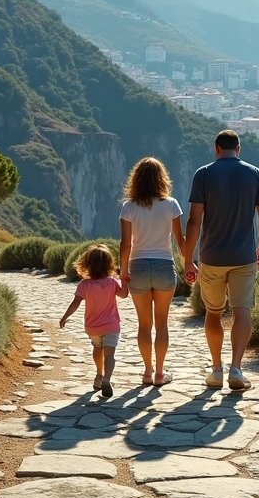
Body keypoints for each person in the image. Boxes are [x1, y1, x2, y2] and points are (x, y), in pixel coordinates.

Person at [183, 130, 259, 391]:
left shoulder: (203, 174)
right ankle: (237, 369)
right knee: (241, 311)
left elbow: (194, 220)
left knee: (213, 312)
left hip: (211, 257)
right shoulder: (256, 174)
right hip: (244, 257)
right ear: (239, 148)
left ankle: (216, 370)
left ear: (216, 149)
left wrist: (189, 260)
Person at [118, 157, 185, 386]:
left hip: (137, 266)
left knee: (144, 325)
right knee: (162, 323)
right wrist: (189, 265)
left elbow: (125, 244)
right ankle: (159, 374)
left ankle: (147, 372)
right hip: (164, 265)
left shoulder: (128, 207)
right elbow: (179, 240)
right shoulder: (171, 204)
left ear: (136, 180)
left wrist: (123, 273)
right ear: (161, 178)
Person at [59, 245, 128, 398]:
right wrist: (124, 281)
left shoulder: (84, 285)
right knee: (109, 354)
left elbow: (75, 303)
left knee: (97, 348)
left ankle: (98, 375)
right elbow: (124, 295)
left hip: (93, 327)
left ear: (87, 264)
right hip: (111, 325)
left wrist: (65, 317)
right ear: (109, 264)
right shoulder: (112, 282)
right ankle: (107, 379)